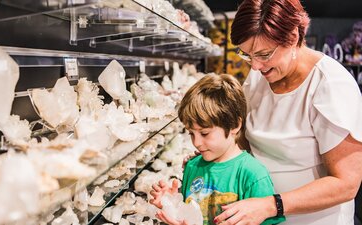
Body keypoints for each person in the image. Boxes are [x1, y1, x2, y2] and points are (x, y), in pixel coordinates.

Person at [211, 0, 362, 225]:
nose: (254, 66)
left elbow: (346, 184)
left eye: (264, 54)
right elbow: (244, 140)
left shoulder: (330, 85)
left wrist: (272, 205)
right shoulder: (260, 75)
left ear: (293, 37)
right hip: (260, 215)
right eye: (246, 55)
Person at [149, 74, 285, 225]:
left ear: (234, 125)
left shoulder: (253, 175)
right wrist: (172, 204)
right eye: (191, 133)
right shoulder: (192, 166)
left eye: (204, 133)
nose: (196, 143)